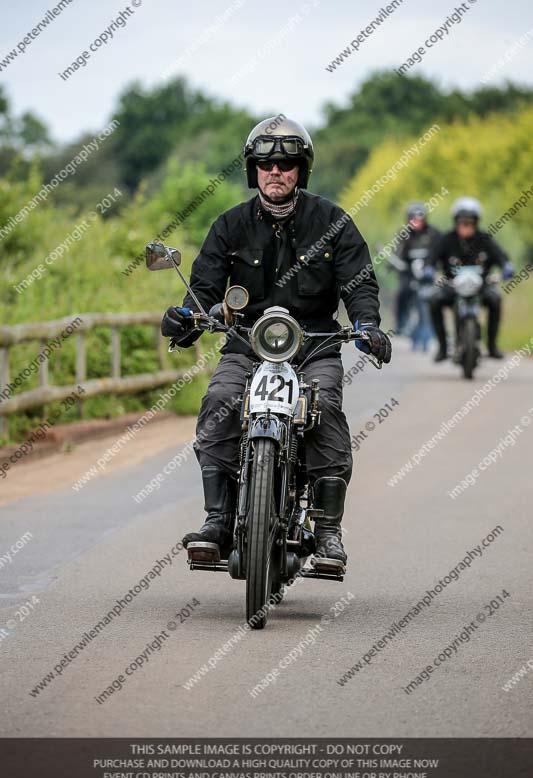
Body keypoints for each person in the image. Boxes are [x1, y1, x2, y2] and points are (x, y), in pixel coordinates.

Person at [160, 117, 391, 565]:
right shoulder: (230, 225)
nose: (276, 171)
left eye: (286, 163)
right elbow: (203, 289)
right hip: (247, 344)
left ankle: (327, 531)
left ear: (301, 170)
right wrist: (187, 317)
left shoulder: (333, 222)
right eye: (266, 164)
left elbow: (359, 283)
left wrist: (367, 325)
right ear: (253, 171)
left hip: (315, 346)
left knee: (324, 405)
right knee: (221, 399)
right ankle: (218, 518)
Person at [427, 197, 514, 361]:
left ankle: (492, 346)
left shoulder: (485, 239)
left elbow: (501, 257)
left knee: (495, 299)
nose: (466, 226)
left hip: (480, 286)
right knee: (433, 300)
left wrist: (507, 267)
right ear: (456, 222)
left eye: (470, 222)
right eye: (462, 222)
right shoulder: (446, 240)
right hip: (452, 286)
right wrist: (429, 270)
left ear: (476, 222)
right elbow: (431, 259)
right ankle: (443, 347)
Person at [389, 202, 441, 349]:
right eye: (413, 219)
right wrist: (394, 264)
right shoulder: (403, 234)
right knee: (402, 293)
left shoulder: (433, 233)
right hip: (408, 273)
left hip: (428, 273)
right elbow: (396, 253)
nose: (417, 222)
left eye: (420, 218)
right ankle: (400, 323)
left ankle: (436, 329)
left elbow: (441, 250)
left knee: (437, 297)